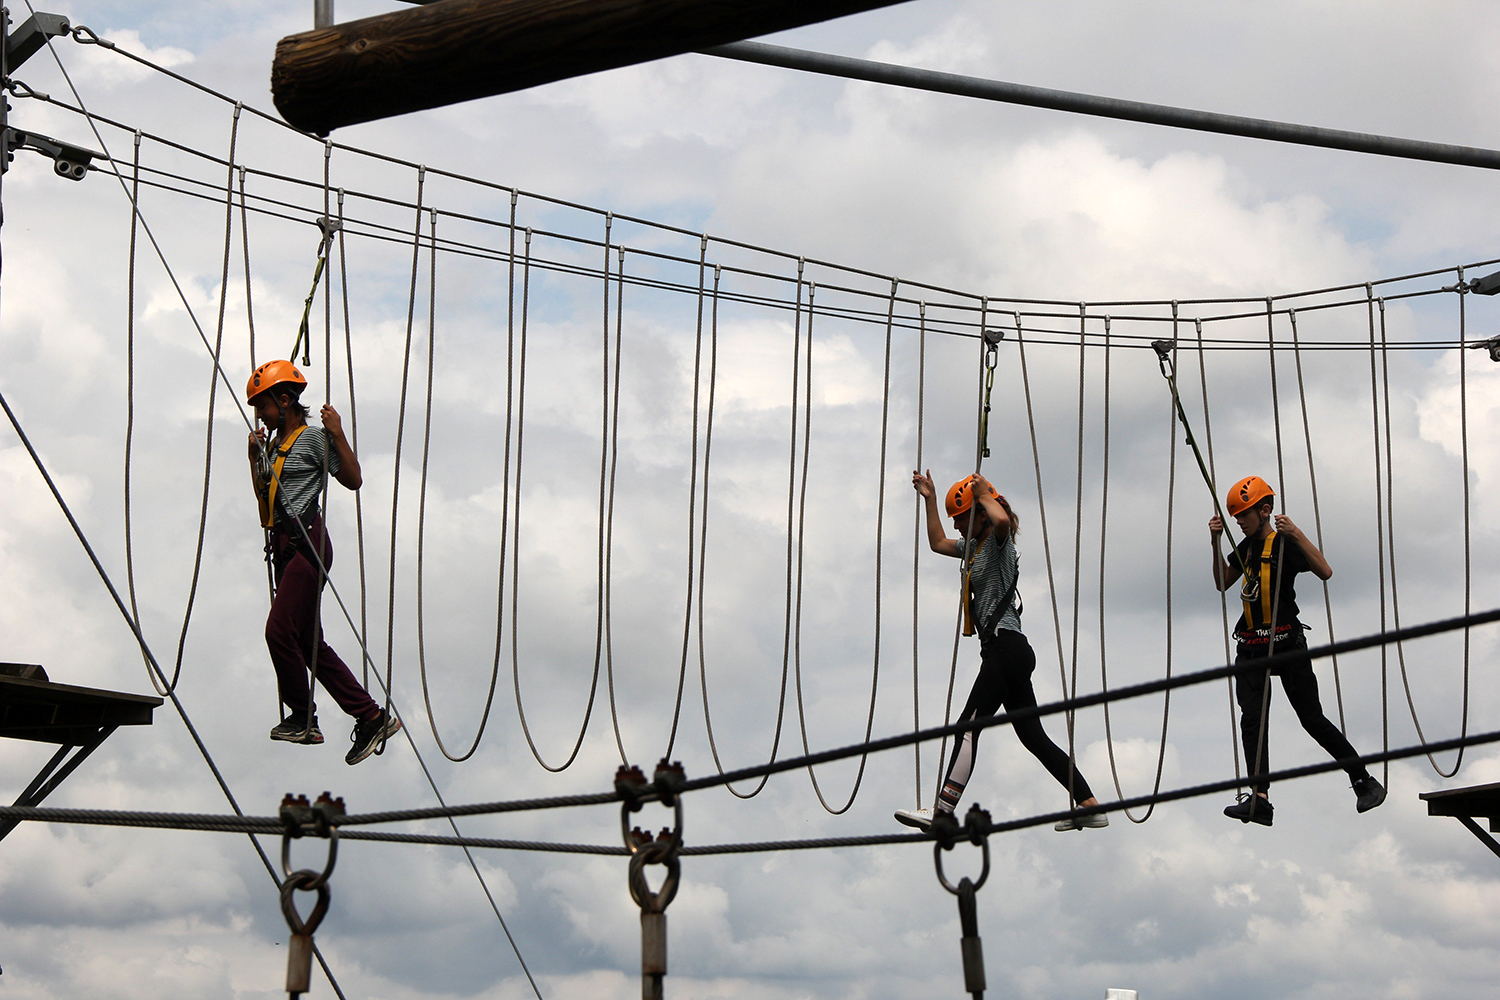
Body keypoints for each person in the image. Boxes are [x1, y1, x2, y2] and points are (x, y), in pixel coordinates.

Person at [896, 471, 1107, 833]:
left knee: (968, 726)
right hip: (1006, 650)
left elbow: (1003, 521)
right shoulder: (973, 548)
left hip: (1006, 647)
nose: (958, 526)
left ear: (979, 513)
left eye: (961, 517)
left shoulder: (997, 542)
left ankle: (943, 812)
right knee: (1033, 736)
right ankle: (1088, 804)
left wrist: (984, 495)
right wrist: (930, 500)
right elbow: (936, 543)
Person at [246, 360, 400, 765]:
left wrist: (338, 435)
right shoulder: (271, 447)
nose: (260, 415)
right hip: (284, 547)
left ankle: (302, 717)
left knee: (279, 631)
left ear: (284, 401)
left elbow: (352, 479)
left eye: (262, 406)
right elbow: (265, 502)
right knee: (308, 643)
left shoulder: (312, 440)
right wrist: (253, 459)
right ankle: (370, 716)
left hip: (306, 542)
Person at [1211, 474, 1385, 826]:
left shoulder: (1285, 544)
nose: (1240, 522)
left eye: (1244, 515)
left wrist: (1297, 533)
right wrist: (1214, 541)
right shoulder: (1243, 549)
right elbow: (1221, 583)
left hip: (1287, 640)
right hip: (1252, 646)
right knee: (1252, 721)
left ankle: (1362, 779)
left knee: (1311, 718)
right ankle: (1260, 798)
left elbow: (1325, 571)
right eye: (1236, 517)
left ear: (1265, 510)